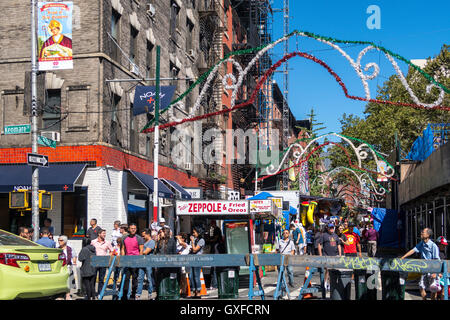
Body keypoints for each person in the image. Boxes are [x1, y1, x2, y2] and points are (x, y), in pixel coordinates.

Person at [401, 228, 441, 300]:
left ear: (428, 235)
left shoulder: (433, 246)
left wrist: (435, 272)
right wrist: (403, 257)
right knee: (421, 286)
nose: (421, 233)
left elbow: (437, 260)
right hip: (424, 269)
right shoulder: (422, 243)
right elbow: (413, 250)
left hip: (432, 270)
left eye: (423, 232)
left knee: (433, 288)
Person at [121, 223, 144, 300]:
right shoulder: (125, 238)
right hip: (127, 261)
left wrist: (139, 260)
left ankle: (133, 295)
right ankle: (124, 295)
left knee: (135, 279)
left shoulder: (139, 238)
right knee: (126, 279)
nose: (133, 229)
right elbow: (123, 249)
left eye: (134, 228)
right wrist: (123, 258)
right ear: (129, 229)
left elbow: (141, 250)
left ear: (136, 229)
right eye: (131, 228)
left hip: (135, 261)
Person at [155, 227, 179, 299]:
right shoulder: (160, 241)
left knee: (167, 278)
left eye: (162, 232)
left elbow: (174, 253)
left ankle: (167, 294)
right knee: (159, 279)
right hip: (160, 263)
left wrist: (173, 262)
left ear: (165, 233)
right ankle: (159, 294)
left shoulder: (172, 241)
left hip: (168, 263)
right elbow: (157, 252)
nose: (160, 233)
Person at [318, 223, 343, 291]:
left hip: (334, 256)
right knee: (328, 270)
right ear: (327, 228)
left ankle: (330, 284)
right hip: (326, 255)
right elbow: (319, 244)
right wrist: (320, 255)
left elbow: (338, 245)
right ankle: (325, 283)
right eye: (330, 228)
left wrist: (340, 254)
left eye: (332, 227)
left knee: (333, 271)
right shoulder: (324, 235)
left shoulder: (336, 236)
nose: (331, 229)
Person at [91, 229, 114, 296]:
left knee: (101, 279)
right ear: (99, 234)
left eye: (105, 233)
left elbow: (112, 250)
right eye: (103, 233)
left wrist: (109, 256)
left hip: (103, 262)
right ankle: (92, 293)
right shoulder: (93, 242)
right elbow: (90, 249)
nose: (104, 235)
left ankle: (100, 293)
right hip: (95, 261)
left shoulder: (107, 242)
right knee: (93, 278)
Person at [136, 228, 156, 300]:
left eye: (144, 236)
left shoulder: (151, 242)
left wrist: (138, 252)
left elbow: (146, 252)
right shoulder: (143, 242)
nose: (142, 237)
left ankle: (150, 294)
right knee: (140, 278)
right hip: (142, 262)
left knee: (149, 279)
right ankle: (138, 294)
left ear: (148, 234)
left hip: (148, 262)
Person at [58, 235, 77, 300]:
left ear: (65, 241)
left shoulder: (70, 248)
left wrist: (74, 262)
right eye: (58, 240)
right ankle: (60, 295)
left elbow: (74, 256)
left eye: (61, 240)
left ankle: (68, 295)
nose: (59, 242)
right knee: (60, 282)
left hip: (68, 266)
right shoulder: (57, 249)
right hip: (60, 268)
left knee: (69, 282)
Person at [189, 226, 205, 297]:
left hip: (198, 260)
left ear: (198, 233)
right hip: (192, 259)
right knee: (191, 276)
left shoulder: (201, 240)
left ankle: (198, 291)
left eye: (194, 232)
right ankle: (194, 290)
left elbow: (195, 250)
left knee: (196, 276)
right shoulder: (195, 240)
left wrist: (192, 242)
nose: (193, 234)